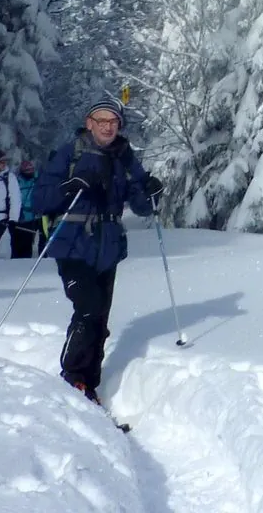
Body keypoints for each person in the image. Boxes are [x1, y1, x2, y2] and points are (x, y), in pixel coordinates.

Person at [32, 100, 162, 404]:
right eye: (102, 120)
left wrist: (153, 192)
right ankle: (73, 377)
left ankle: (89, 383)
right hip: (73, 244)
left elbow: (142, 205)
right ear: (89, 122)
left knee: (100, 317)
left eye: (114, 121)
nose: (108, 126)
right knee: (88, 308)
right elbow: (40, 201)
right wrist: (71, 185)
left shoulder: (125, 158)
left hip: (109, 246)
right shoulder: (70, 153)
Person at [9, 159, 42, 259]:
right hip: (17, 218)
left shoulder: (37, 181)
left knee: (27, 244)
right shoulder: (16, 181)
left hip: (31, 218)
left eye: (31, 170)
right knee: (15, 244)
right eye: (27, 171)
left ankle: (24, 264)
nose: (29, 173)